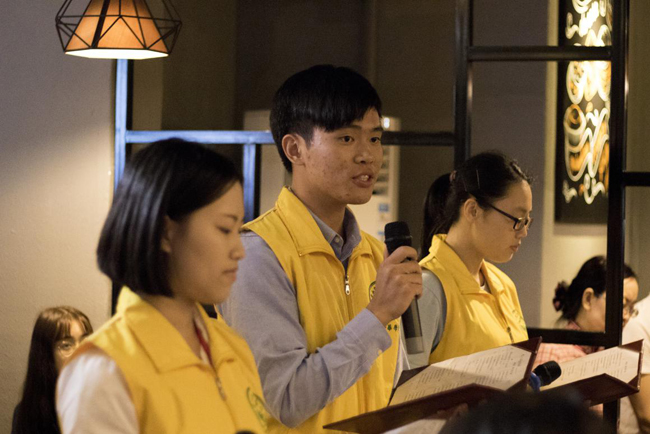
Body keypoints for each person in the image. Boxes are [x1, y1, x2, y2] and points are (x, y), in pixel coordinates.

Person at [219, 65, 422, 433]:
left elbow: (388, 388)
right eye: (347, 138)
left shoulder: (375, 255)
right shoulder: (257, 255)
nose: (368, 155)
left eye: (375, 138)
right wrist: (378, 315)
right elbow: (285, 400)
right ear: (295, 148)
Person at [56, 140, 268, 433]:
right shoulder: (104, 370)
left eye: (238, 229)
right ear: (166, 233)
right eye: (224, 229)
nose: (239, 250)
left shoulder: (232, 347)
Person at [409, 151, 532, 368]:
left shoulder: (504, 285)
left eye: (527, 221)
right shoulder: (427, 289)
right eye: (518, 219)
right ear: (473, 210)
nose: (523, 232)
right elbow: (406, 383)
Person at [534, 256, 639, 367]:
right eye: (622, 305)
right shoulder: (553, 353)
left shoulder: (610, 352)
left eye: (631, 308)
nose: (626, 316)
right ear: (588, 299)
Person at [12, 307, 92, 434]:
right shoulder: (28, 414)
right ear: (46, 355)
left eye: (85, 341)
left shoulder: (107, 404)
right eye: (66, 345)